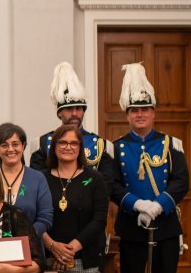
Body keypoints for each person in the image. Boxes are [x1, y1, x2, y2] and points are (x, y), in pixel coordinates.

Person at [112, 62, 189, 273]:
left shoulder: (171, 144)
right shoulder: (116, 148)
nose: (140, 114)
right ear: (127, 115)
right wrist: (137, 205)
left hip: (165, 227)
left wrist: (158, 205)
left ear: (153, 112)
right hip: (131, 227)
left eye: (145, 109)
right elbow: (112, 185)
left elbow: (181, 181)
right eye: (134, 110)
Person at [28, 62, 121, 190]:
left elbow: (106, 189)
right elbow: (37, 186)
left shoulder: (102, 146)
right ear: (59, 113)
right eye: (69, 109)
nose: (74, 114)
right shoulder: (42, 144)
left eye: (79, 109)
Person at [41, 124, 108, 273]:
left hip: (83, 261)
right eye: (62, 143)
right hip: (47, 259)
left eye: (73, 143)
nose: (68, 147)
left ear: (80, 149)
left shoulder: (95, 179)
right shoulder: (40, 178)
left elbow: (99, 220)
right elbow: (34, 218)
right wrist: (53, 246)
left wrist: (69, 251)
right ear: (54, 147)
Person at [0, 123, 53, 240]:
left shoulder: (37, 178)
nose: (10, 149)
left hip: (30, 246)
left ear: (23, 146)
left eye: (15, 144)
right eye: (4, 145)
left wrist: (25, 237)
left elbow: (46, 217)